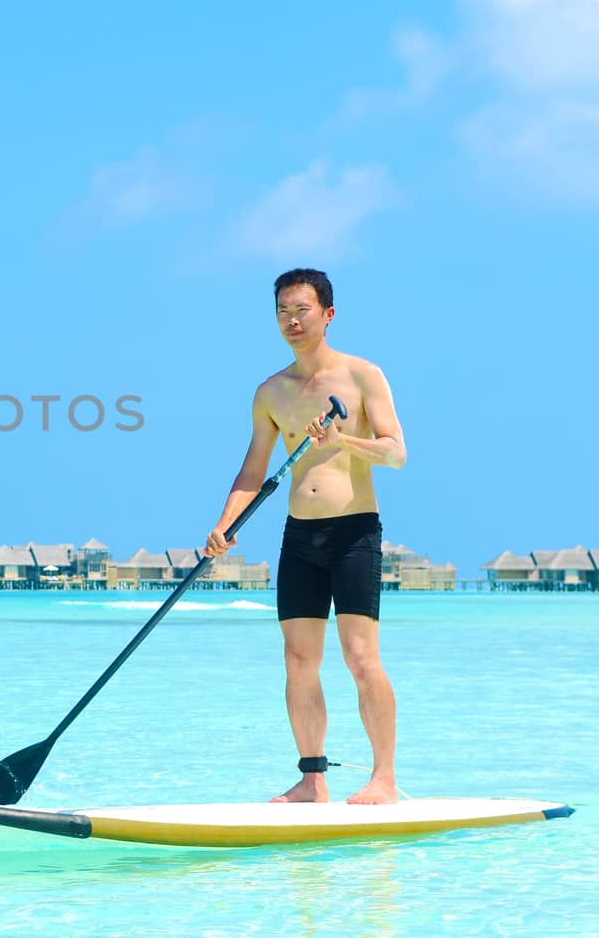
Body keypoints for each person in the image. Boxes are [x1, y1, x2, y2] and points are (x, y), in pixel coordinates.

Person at [203, 268, 407, 805]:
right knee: (298, 660)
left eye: (303, 310)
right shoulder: (271, 392)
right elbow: (253, 469)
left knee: (361, 658)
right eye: (282, 312)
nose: (292, 320)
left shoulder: (363, 376)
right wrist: (225, 524)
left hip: (354, 533)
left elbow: (396, 453)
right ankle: (312, 780)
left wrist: (345, 440)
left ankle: (383, 778)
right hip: (299, 538)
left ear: (328, 314)